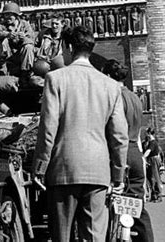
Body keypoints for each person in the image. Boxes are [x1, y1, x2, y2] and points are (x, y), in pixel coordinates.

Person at [32, 26, 128, 242]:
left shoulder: (55, 79)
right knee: (94, 237)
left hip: (63, 170)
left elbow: (48, 129)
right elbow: (119, 137)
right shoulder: (111, 86)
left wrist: (39, 168)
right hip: (98, 172)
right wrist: (118, 175)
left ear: (68, 46)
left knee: (62, 236)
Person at [103, 59, 154, 242]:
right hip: (135, 151)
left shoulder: (113, 96)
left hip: (118, 152)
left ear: (107, 75)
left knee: (110, 204)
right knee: (136, 205)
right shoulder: (135, 98)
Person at [0, 2, 35, 82]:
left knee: (28, 46)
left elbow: (32, 40)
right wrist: (6, 34)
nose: (8, 17)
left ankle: (25, 73)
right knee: (0, 40)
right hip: (7, 57)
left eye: (10, 15)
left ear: (16, 16)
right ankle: (2, 69)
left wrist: (23, 38)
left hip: (21, 56)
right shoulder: (2, 26)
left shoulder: (25, 25)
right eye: (6, 15)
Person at [143, 128, 162, 201]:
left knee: (154, 177)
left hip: (153, 160)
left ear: (149, 133)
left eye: (146, 133)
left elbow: (148, 151)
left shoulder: (153, 142)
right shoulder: (149, 142)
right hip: (151, 160)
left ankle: (158, 195)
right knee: (150, 177)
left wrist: (143, 157)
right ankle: (153, 195)